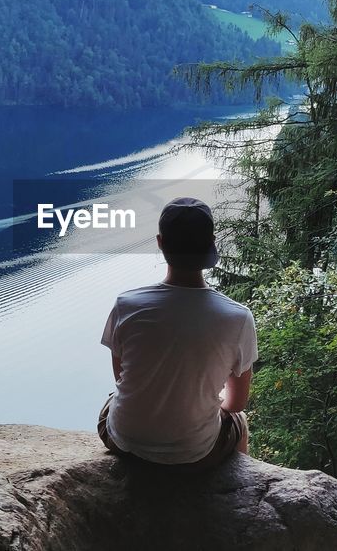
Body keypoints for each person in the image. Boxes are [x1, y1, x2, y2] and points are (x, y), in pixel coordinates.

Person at [97, 197, 257, 471]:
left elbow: (121, 378)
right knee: (239, 421)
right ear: (212, 242)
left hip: (123, 440)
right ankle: (240, 492)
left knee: (114, 398)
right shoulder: (237, 317)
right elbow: (236, 403)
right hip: (195, 453)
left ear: (160, 242)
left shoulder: (127, 304)